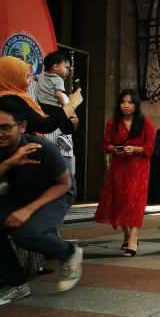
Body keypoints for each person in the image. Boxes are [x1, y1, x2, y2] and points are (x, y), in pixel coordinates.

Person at [0, 97, 82, 305]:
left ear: (22, 126)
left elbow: (63, 184)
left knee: (25, 233)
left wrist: (28, 210)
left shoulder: (42, 148)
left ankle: (69, 253)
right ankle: (17, 284)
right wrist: (10, 161)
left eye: (5, 127)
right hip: (22, 192)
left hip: (57, 191)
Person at [94, 89, 155, 257]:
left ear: (136, 104)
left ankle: (133, 241)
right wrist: (116, 148)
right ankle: (127, 235)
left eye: (130, 102)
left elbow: (149, 148)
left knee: (134, 202)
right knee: (120, 201)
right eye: (123, 102)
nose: (126, 105)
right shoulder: (112, 123)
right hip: (118, 167)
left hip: (139, 168)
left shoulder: (146, 123)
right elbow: (105, 145)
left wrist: (135, 148)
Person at [0, 56, 81, 136]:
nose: (31, 80)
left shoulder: (22, 95)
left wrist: (73, 122)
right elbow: (44, 126)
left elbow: (67, 129)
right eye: (27, 76)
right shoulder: (10, 101)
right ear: (13, 78)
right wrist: (72, 104)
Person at [35, 52, 74, 152]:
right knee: (63, 118)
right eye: (66, 67)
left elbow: (34, 77)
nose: (67, 71)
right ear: (56, 66)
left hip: (42, 105)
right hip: (53, 106)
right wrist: (65, 108)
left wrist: (31, 77)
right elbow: (58, 95)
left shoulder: (42, 75)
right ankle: (64, 136)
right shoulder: (58, 80)